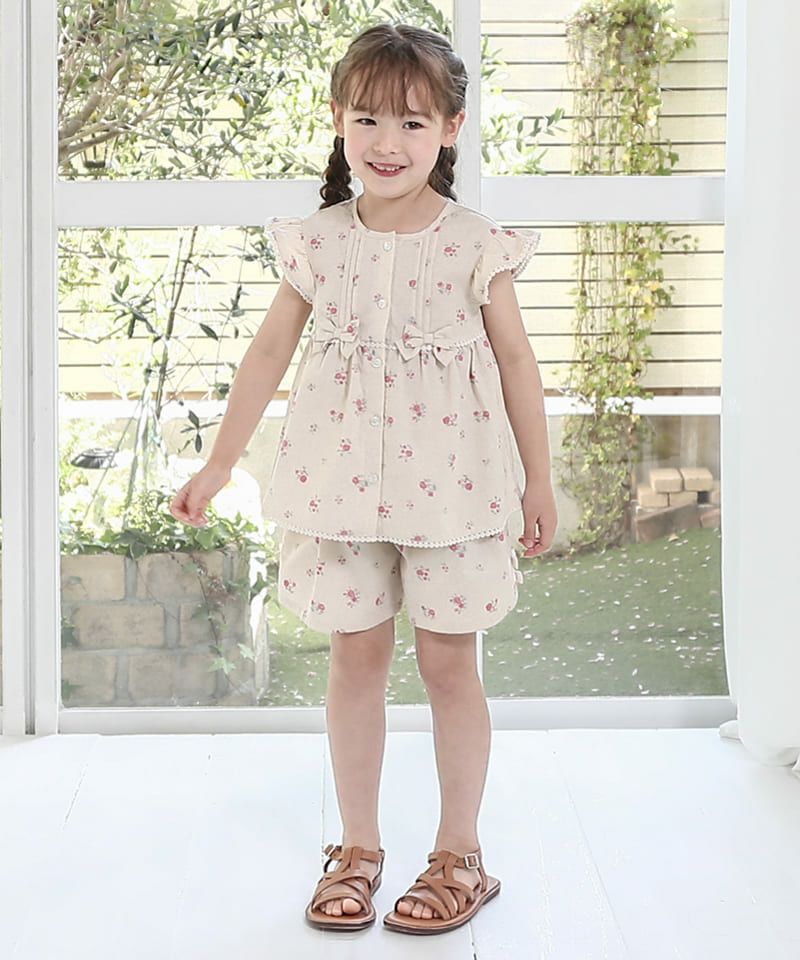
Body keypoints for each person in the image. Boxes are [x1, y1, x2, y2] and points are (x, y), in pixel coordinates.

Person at [170, 21, 557, 936]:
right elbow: (269, 353)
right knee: (355, 660)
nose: (388, 143)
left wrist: (539, 482)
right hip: (338, 487)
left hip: (454, 491)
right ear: (338, 120)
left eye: (413, 123)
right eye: (369, 119)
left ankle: (460, 855)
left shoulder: (476, 244)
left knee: (449, 664)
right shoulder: (318, 242)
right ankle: (356, 848)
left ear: (451, 130)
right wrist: (220, 462)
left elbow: (517, 364)